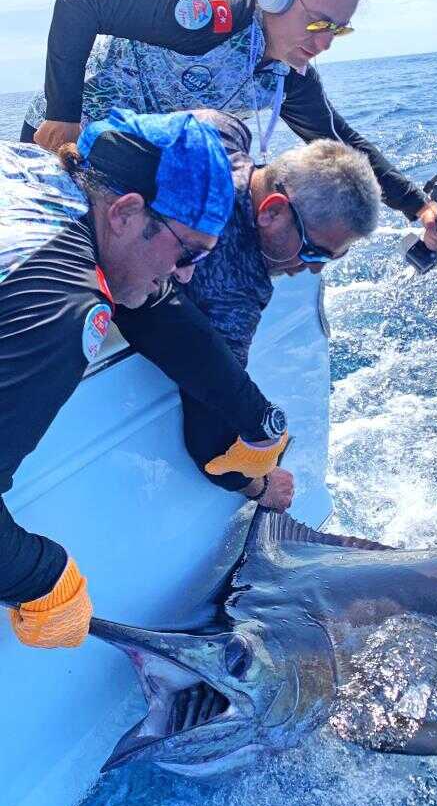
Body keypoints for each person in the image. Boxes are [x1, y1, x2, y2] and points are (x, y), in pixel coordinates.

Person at [0, 108, 288, 650]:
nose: (186, 276)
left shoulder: (43, 173)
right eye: (187, 254)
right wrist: (38, 578)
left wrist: (255, 419)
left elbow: (158, 308)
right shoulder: (63, 311)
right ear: (127, 212)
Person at [21, 0, 437, 258]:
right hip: (61, 139)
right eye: (316, 23)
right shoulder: (206, 14)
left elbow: (340, 141)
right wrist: (62, 113)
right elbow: (79, 4)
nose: (324, 43)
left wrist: (417, 205)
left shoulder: (289, 74)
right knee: (47, 252)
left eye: (337, 29)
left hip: (128, 161)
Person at [181, 108, 381, 504]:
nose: (312, 267)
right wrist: (261, 486)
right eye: (313, 251)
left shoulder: (219, 128)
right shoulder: (236, 291)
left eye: (331, 259)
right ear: (272, 210)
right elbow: (209, 439)